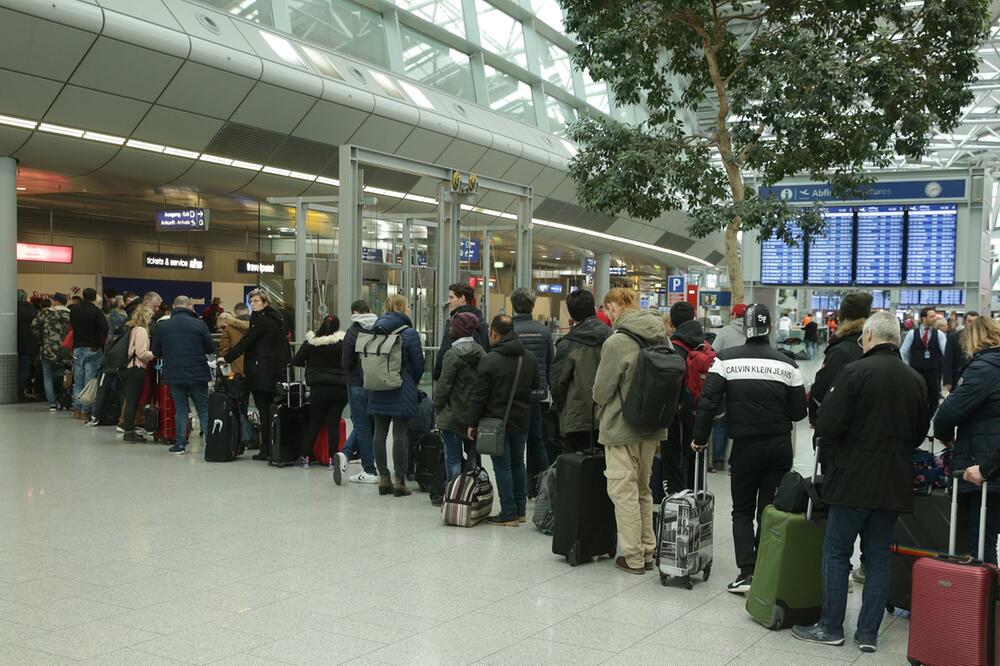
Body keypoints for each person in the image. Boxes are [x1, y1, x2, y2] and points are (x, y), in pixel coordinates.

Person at [792, 312, 929, 653]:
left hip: (853, 480)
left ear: (868, 336)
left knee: (837, 553)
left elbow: (827, 425)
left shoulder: (853, 372)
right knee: (878, 557)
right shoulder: (915, 380)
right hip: (894, 481)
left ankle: (830, 627)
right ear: (896, 339)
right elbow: (918, 434)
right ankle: (868, 634)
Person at [692, 304, 807, 593]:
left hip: (744, 447)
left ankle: (747, 572)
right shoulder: (788, 364)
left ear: (744, 327)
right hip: (778, 447)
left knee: (741, 510)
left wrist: (700, 438)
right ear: (769, 328)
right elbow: (798, 413)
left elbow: (708, 403)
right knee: (768, 509)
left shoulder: (725, 360)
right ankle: (768, 573)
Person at [591, 288, 667, 573]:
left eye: (606, 309)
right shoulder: (661, 335)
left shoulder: (617, 342)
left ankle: (633, 556)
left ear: (613, 306)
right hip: (652, 426)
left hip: (622, 427)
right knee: (643, 490)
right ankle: (648, 551)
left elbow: (601, 391)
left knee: (622, 490)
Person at [933, 316, 1000, 566]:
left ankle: (986, 602)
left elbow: (947, 414)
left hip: (984, 467)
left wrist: (946, 437)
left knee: (982, 541)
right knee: (990, 535)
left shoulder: (983, 368)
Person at [468, 314, 538, 525]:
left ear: (494, 333)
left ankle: (508, 512)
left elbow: (480, 396)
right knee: (518, 463)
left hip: (496, 422)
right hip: (522, 420)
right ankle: (521, 511)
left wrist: (472, 422)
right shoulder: (530, 358)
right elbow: (536, 387)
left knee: (502, 467)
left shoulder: (490, 360)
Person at [366, 295, 425, 496]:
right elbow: (418, 366)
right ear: (401, 308)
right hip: (401, 387)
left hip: (378, 386)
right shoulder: (409, 333)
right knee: (400, 434)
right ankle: (399, 481)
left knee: (379, 433)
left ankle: (383, 478)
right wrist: (411, 381)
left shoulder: (375, 330)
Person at [222, 289, 290, 462]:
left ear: (265, 302)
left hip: (261, 371)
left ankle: (266, 448)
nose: (253, 304)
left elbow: (247, 342)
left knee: (264, 410)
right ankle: (273, 446)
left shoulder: (261, 320)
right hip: (274, 370)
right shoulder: (277, 318)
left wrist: (227, 358)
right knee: (270, 410)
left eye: (256, 301)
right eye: (251, 301)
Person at [151, 296, 215, 454]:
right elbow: (210, 348)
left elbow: (155, 351)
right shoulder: (199, 324)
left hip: (174, 373)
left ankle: (180, 444)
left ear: (173, 306)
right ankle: (211, 443)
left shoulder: (163, 326)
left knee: (180, 409)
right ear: (190, 306)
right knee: (203, 408)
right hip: (197, 373)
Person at [551, 289, 611, 452]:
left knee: (578, 471)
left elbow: (558, 385)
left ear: (572, 315)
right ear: (593, 308)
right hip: (609, 416)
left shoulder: (567, 344)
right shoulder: (612, 337)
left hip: (577, 419)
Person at [510, 287, 554, 494]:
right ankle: (543, 487)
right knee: (537, 440)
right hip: (536, 394)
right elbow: (549, 363)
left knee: (515, 442)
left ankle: (518, 487)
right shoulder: (544, 332)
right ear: (532, 306)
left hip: (513, 395)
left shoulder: (509, 330)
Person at [433, 312, 486, 484]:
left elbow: (444, 387)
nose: (449, 328)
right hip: (474, 416)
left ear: (458, 330)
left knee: (453, 458)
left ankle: (453, 494)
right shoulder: (482, 353)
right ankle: (469, 493)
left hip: (452, 416)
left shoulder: (452, 354)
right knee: (472, 457)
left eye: (452, 326)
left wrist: (437, 407)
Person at [292, 315, 349, 471]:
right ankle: (332, 458)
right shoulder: (343, 343)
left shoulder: (311, 343)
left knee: (314, 422)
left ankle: (306, 458)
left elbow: (296, 360)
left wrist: (311, 363)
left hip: (319, 389)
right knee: (333, 423)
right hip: (339, 389)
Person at [662, 301, 706, 491]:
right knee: (697, 464)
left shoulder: (673, 349)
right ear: (694, 317)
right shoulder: (705, 345)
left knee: (676, 466)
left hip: (677, 419)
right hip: (700, 415)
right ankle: (698, 510)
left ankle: (679, 512)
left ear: (671, 323)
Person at [341, 300, 379, 484]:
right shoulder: (380, 329)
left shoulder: (352, 332)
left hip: (357, 383)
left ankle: (369, 470)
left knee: (362, 427)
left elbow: (345, 363)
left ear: (354, 312)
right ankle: (376, 466)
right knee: (376, 427)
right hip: (377, 384)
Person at [708, 303, 747, 473]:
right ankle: (734, 463)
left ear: (733, 316)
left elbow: (713, 355)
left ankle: (717, 461)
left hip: (724, 385)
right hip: (745, 386)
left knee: (720, 425)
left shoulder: (724, 332)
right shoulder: (752, 334)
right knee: (741, 425)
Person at [433, 283, 489, 381]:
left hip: (458, 378)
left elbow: (445, 349)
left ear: (462, 298)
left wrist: (437, 374)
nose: (449, 301)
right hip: (479, 378)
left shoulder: (454, 322)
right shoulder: (482, 322)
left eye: (452, 297)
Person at [69, 287, 108, 420]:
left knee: (78, 379)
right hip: (92, 348)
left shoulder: (74, 310)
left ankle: (76, 409)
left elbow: (72, 326)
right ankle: (86, 410)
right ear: (94, 298)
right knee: (89, 379)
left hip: (77, 347)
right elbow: (105, 328)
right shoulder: (96, 311)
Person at [900, 306, 946, 416]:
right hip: (916, 371)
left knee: (934, 399)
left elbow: (946, 351)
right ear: (923, 318)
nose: (935, 319)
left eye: (935, 316)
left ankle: (926, 420)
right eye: (932, 316)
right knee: (915, 398)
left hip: (932, 372)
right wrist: (904, 367)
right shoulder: (912, 334)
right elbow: (903, 351)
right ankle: (916, 420)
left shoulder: (939, 334)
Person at [120, 306, 156, 442]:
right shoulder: (141, 331)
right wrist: (154, 354)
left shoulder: (132, 329)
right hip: (136, 368)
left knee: (130, 399)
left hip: (128, 368)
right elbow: (141, 353)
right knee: (132, 401)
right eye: (151, 316)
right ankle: (129, 432)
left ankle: (129, 430)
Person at [31, 292, 72, 411]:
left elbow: (34, 326)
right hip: (66, 349)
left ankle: (52, 404)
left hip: (48, 348)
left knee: (47, 375)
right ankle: (65, 396)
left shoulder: (46, 312)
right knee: (63, 371)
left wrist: (41, 340)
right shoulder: (70, 314)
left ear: (56, 301)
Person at [943, 311, 979, 391]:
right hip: (958, 378)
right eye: (969, 321)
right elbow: (948, 360)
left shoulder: (983, 338)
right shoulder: (954, 337)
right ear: (964, 321)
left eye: (975, 321)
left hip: (977, 378)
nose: (972, 324)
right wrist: (948, 381)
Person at [217, 303, 251, 379]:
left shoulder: (229, 328)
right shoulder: (259, 325)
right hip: (257, 368)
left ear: (235, 313)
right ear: (249, 311)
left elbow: (224, 350)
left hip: (236, 370)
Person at [16, 289, 37, 401]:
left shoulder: (9, 309)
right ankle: (20, 393)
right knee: (24, 369)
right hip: (27, 345)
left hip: (9, 344)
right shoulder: (31, 310)